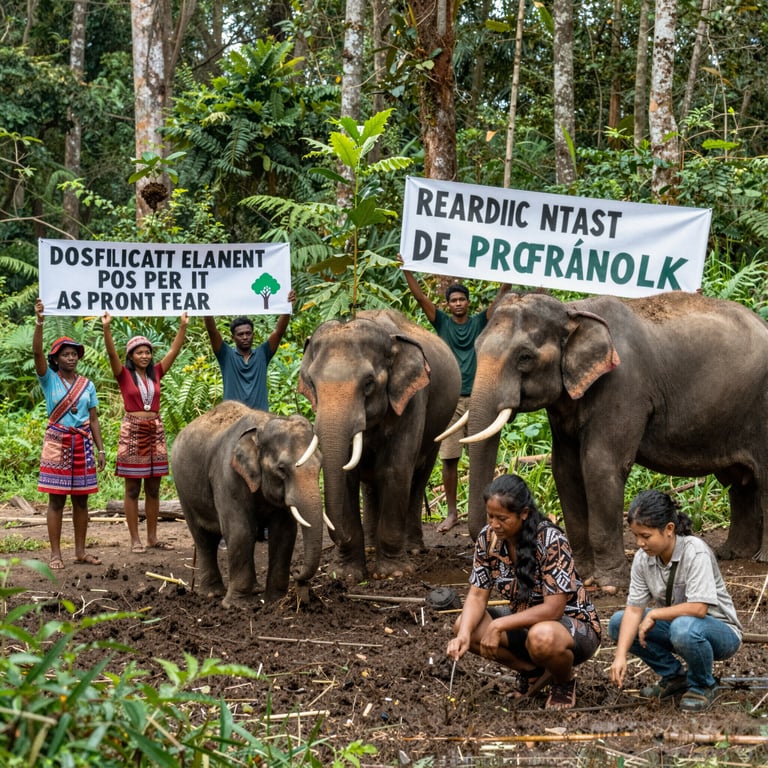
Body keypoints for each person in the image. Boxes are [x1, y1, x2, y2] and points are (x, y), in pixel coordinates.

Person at [446, 474, 601, 709]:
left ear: (524, 514)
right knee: (463, 625)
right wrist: (464, 636)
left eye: (502, 518)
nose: (494, 524)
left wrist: (498, 625)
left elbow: (553, 608)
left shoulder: (551, 540)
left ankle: (563, 682)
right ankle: (532, 672)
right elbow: (477, 594)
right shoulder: (487, 539)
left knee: (542, 637)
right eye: (490, 517)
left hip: (569, 628)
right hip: (524, 623)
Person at [400, 257, 510, 532]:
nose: (458, 304)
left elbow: (501, 297)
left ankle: (484, 513)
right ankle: (451, 512)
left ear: (468, 302)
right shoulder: (443, 324)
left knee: (480, 457)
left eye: (462, 299)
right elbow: (422, 299)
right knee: (449, 457)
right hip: (451, 401)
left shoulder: (480, 323)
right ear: (448, 305)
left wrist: (508, 276)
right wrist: (408, 272)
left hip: (479, 399)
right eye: (453, 300)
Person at [608, 489, 742, 713]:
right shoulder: (643, 559)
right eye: (636, 536)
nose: (640, 543)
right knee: (618, 623)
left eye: (646, 536)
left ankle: (702, 685)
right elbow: (633, 610)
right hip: (680, 629)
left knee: (683, 627)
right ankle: (675, 677)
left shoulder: (695, 552)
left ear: (669, 529)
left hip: (720, 633)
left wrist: (654, 614)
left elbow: (699, 609)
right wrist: (619, 656)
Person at [101, 311, 189, 553]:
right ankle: (135, 539)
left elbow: (173, 351)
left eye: (147, 352)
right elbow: (110, 353)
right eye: (139, 352)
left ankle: (152, 537)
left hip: (155, 431)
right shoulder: (123, 374)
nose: (144, 356)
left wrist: (182, 326)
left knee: (153, 487)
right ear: (130, 356)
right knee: (132, 488)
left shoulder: (157, 372)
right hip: (133, 430)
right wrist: (107, 328)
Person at [34, 298, 106, 569]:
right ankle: (55, 554)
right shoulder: (48, 378)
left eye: (75, 354)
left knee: (82, 499)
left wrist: (100, 449)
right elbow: (37, 354)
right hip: (57, 441)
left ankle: (79, 551)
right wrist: (40, 321)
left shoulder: (87, 385)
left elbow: (94, 419)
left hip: (83, 444)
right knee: (56, 499)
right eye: (65, 354)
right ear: (55, 359)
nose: (71, 357)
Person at [203, 289, 296, 411]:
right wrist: (204, 306)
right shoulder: (226, 355)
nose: (245, 337)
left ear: (253, 335)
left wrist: (287, 308)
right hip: (232, 419)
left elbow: (278, 332)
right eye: (240, 334)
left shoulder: (262, 353)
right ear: (233, 338)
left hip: (260, 419)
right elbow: (212, 331)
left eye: (248, 333)